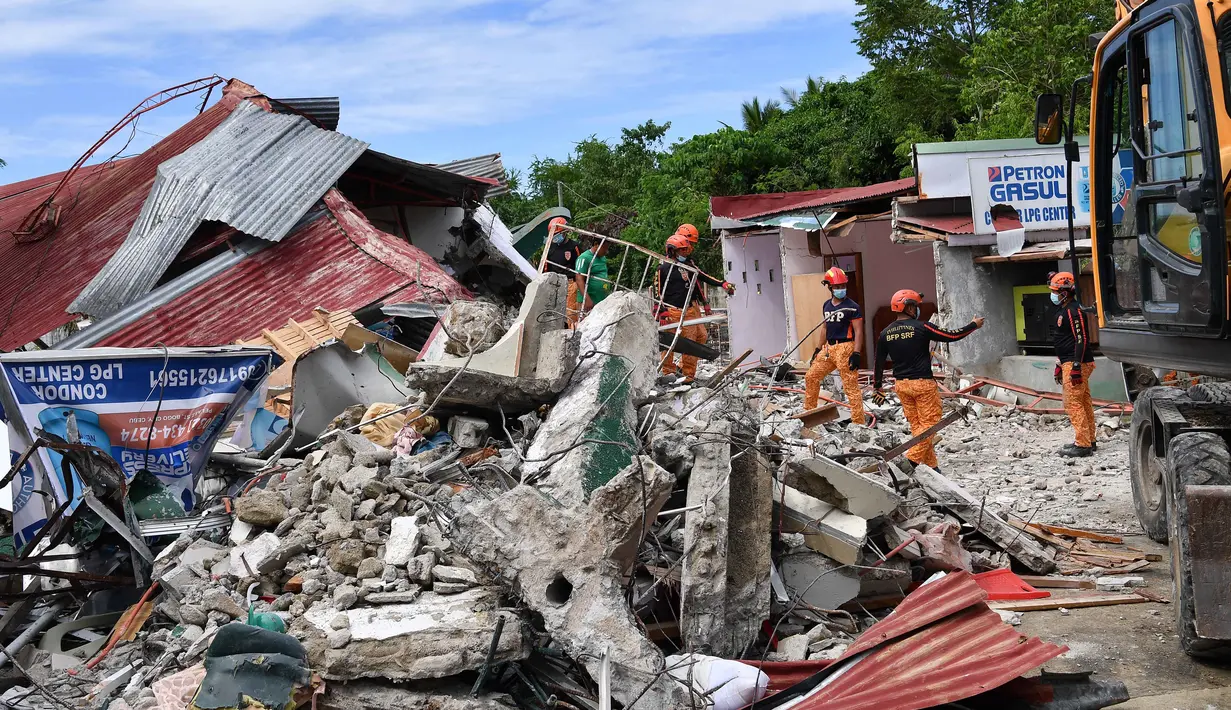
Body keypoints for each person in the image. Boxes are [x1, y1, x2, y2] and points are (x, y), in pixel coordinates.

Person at [872, 289, 984, 471]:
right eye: (915, 306)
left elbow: (878, 362)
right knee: (930, 425)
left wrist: (877, 387)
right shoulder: (922, 327)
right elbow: (952, 336)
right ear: (908, 307)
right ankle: (910, 463)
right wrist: (973, 325)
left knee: (918, 426)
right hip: (922, 384)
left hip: (901, 386)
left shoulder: (885, 333)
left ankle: (932, 467)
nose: (917, 310)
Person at [803, 267, 866, 425]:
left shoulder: (853, 307)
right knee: (811, 377)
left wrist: (857, 353)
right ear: (830, 287)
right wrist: (818, 349)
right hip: (828, 349)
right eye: (837, 287)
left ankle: (858, 422)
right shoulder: (826, 306)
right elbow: (824, 328)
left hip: (845, 347)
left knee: (850, 386)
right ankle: (809, 414)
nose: (841, 290)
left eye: (843, 286)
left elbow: (859, 331)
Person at [1050, 271, 1096, 457]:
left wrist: (1076, 366)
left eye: (1055, 291)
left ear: (1065, 292)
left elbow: (1081, 339)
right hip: (1070, 361)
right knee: (1083, 401)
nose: (1052, 294)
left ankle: (1083, 444)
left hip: (1077, 363)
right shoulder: (1066, 309)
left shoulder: (1073, 311)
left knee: (1073, 403)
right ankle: (1088, 440)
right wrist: (1060, 363)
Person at [655, 234, 711, 380]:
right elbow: (658, 291)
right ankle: (668, 372)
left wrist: (703, 302)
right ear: (673, 251)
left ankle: (688, 375)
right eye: (682, 250)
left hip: (688, 310)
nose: (685, 253)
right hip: (672, 310)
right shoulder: (664, 268)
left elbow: (696, 284)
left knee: (691, 344)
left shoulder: (687, 266)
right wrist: (661, 312)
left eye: (686, 250)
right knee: (668, 342)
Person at [544, 217, 582, 326]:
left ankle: (572, 333)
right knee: (555, 312)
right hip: (555, 285)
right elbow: (546, 268)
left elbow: (580, 268)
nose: (556, 238)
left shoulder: (574, 247)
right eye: (554, 235)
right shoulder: (550, 248)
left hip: (571, 284)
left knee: (571, 313)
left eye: (558, 234)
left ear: (565, 232)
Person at [573, 236, 612, 318]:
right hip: (589, 303)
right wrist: (586, 299)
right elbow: (579, 279)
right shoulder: (584, 258)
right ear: (596, 245)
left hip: (601, 302)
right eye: (604, 248)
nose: (606, 251)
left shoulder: (603, 258)